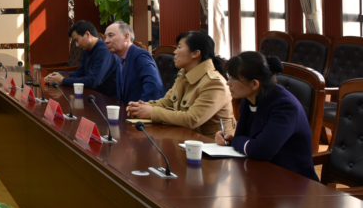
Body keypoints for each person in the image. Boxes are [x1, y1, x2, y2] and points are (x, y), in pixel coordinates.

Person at [217, 52, 318, 180]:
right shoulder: (249, 99)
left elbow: (260, 151)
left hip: (291, 179)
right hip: (259, 172)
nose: (228, 83)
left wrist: (236, 141)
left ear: (254, 84)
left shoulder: (285, 106)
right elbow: (245, 139)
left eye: (232, 79)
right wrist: (230, 140)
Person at [127, 31, 235, 137]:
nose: (175, 52)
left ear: (195, 53)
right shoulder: (184, 74)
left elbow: (192, 119)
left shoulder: (214, 83)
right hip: (186, 137)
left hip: (211, 142)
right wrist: (142, 107)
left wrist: (152, 112)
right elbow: (168, 102)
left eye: (179, 47)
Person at [44, 21, 120, 100]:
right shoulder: (87, 49)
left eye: (77, 40)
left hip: (108, 100)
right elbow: (80, 73)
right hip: (91, 96)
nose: (77, 45)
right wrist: (57, 75)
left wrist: (63, 80)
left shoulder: (104, 50)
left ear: (87, 34)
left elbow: (92, 82)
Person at [103, 21, 164, 103]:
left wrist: (140, 107)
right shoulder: (121, 59)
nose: (106, 41)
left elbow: (154, 86)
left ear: (126, 37)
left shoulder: (140, 56)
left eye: (111, 35)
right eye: (105, 37)